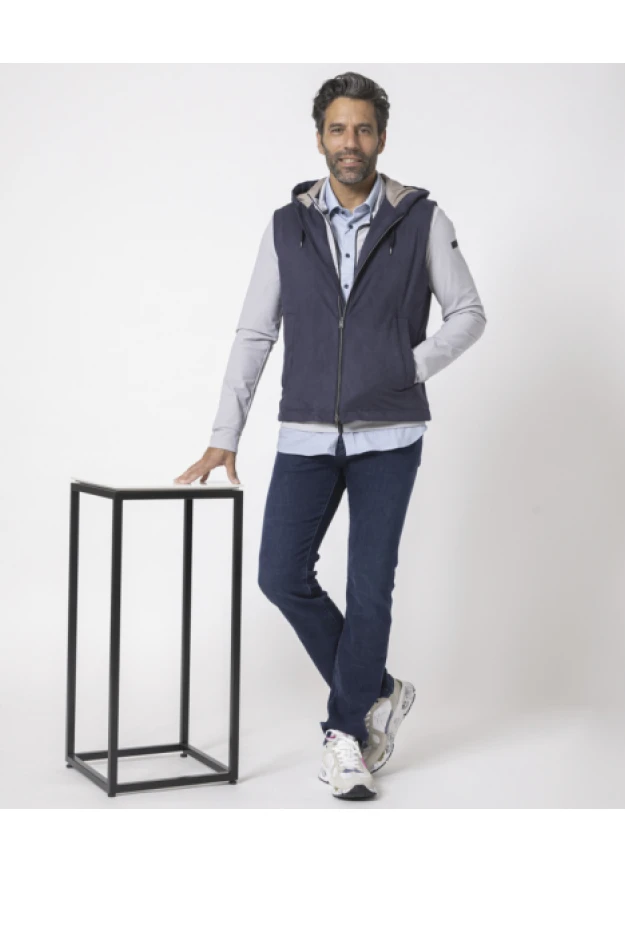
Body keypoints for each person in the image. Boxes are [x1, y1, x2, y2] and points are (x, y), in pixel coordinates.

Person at [175, 72, 487, 801]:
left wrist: (407, 366)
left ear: (382, 137)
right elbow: (256, 332)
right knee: (280, 573)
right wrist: (225, 434)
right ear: (319, 138)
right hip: (307, 432)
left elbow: (469, 312)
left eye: (364, 130)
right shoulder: (287, 227)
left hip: (391, 434)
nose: (352, 143)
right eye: (339, 129)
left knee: (369, 586)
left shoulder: (420, 219)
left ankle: (345, 735)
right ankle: (378, 689)